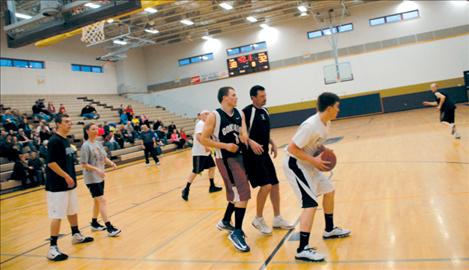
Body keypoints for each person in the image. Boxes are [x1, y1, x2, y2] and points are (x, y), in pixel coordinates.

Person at [283, 92, 351, 262]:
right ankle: (302, 249)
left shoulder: (326, 123)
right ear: (329, 108)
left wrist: (323, 150)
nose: (338, 110)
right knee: (310, 203)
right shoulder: (310, 125)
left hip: (308, 163)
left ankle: (329, 230)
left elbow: (314, 143)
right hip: (295, 165)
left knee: (329, 190)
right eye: (337, 107)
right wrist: (313, 159)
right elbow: (292, 148)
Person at [200, 86, 251, 252]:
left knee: (236, 193)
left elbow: (244, 133)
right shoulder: (214, 116)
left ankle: (225, 221)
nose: (236, 98)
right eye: (233, 95)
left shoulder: (239, 113)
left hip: (240, 156)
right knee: (243, 192)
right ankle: (237, 232)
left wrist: (244, 137)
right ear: (224, 98)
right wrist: (225, 146)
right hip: (224, 158)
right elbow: (204, 140)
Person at [243, 85, 293, 234]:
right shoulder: (246, 112)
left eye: (265, 95)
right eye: (262, 96)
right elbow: (242, 134)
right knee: (266, 186)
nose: (265, 98)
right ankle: (258, 218)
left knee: (275, 184)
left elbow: (264, 131)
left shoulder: (265, 111)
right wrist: (251, 143)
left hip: (264, 154)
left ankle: (277, 218)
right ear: (253, 98)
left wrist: (271, 142)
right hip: (252, 156)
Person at [45, 114, 94, 261]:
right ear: (58, 124)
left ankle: (76, 235)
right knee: (57, 215)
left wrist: (71, 178)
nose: (70, 124)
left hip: (69, 184)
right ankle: (52, 248)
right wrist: (66, 176)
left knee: (72, 211)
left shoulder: (66, 140)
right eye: (66, 122)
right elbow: (51, 163)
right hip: (57, 186)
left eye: (70, 122)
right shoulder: (54, 141)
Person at [81, 123, 121, 237]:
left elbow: (104, 158)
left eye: (96, 128)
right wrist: (97, 170)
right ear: (87, 131)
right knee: (102, 200)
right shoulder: (86, 146)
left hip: (100, 177)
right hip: (91, 178)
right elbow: (83, 164)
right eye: (93, 129)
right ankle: (109, 227)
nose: (96, 130)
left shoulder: (98, 143)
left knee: (97, 201)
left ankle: (94, 223)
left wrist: (111, 163)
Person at [181, 110, 222, 201]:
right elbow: (198, 137)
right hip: (199, 152)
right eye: (205, 114)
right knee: (196, 171)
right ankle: (186, 189)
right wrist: (206, 146)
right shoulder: (200, 123)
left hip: (205, 153)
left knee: (212, 167)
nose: (208, 115)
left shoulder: (206, 124)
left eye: (209, 114)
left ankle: (212, 186)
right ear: (201, 116)